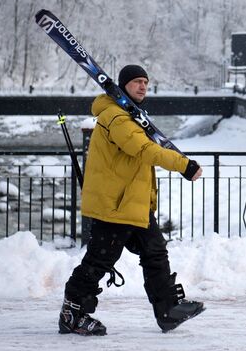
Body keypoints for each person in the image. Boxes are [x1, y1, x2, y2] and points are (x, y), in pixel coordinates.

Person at [58, 64, 205, 336]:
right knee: (99, 260)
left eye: (145, 83)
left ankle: (167, 310)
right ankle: (72, 313)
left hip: (132, 204)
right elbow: (146, 150)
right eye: (137, 82)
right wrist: (183, 165)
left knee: (155, 253)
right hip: (115, 206)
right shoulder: (117, 118)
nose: (142, 87)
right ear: (122, 86)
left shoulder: (130, 117)